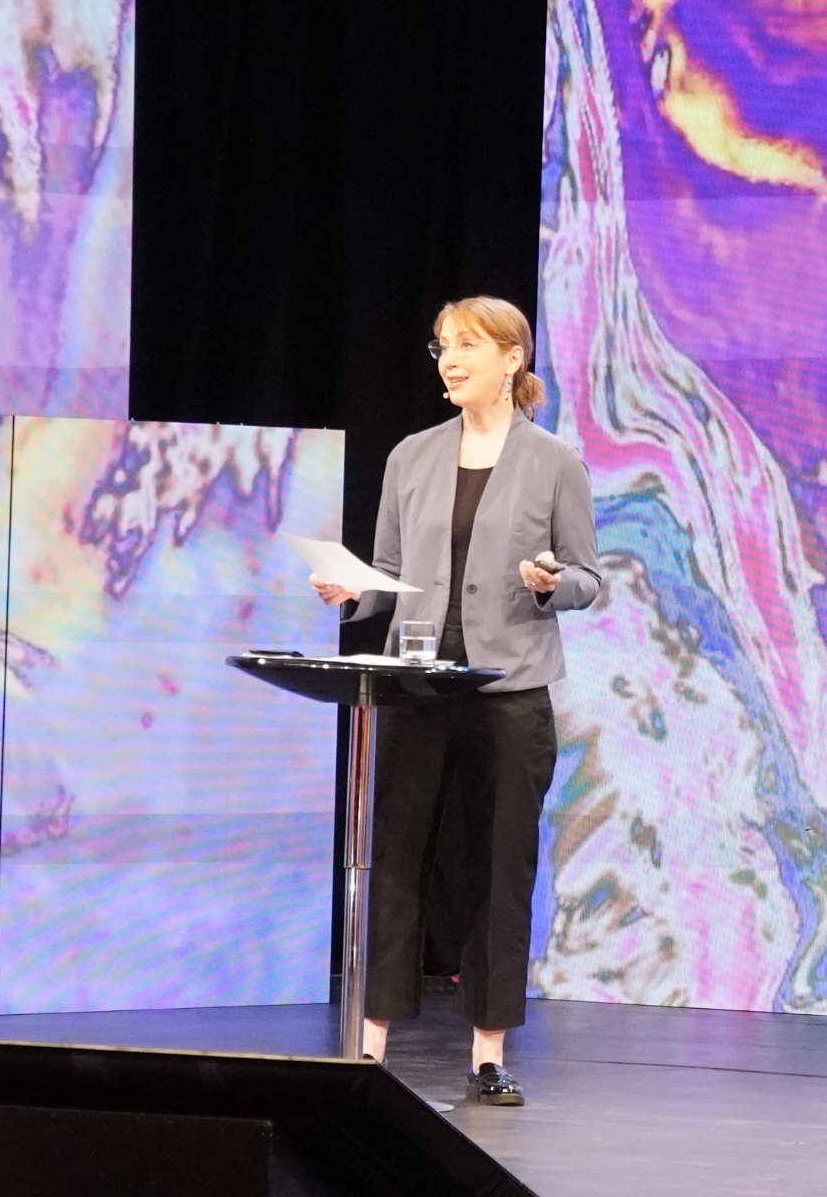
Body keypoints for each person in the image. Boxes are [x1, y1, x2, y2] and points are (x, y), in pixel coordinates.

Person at [309, 296, 601, 1107]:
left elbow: (588, 576)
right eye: (442, 345)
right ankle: (370, 1046)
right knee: (397, 860)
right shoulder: (411, 456)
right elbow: (388, 572)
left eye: (469, 344)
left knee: (500, 868)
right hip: (418, 685)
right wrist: (354, 591)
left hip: (510, 692)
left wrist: (549, 583)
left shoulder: (554, 462)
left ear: (513, 357)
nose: (451, 358)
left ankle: (487, 1054)